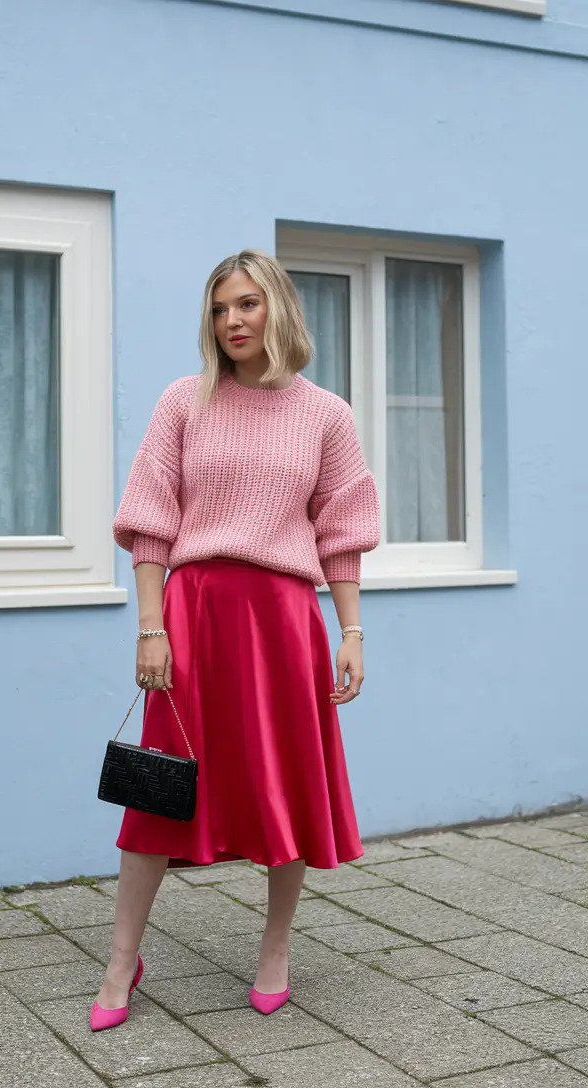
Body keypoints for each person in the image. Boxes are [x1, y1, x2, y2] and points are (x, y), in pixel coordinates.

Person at [90, 249, 380, 1032]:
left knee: (287, 780)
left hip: (284, 621)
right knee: (160, 787)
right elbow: (150, 521)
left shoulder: (327, 415)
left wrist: (351, 631)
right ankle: (121, 961)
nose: (232, 321)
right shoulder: (184, 402)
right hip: (193, 615)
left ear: (277, 307)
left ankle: (275, 948)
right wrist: (151, 627)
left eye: (247, 304)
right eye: (220, 309)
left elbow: (341, 533)